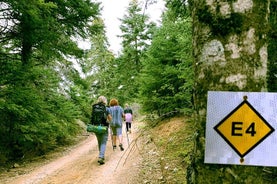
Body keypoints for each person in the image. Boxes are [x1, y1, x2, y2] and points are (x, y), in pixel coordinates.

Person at [91, 96, 112, 165]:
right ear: (105, 101)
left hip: (95, 127)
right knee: (103, 142)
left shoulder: (94, 107)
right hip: (103, 127)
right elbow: (109, 118)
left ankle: (101, 156)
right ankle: (101, 156)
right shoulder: (106, 108)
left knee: (99, 142)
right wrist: (110, 122)